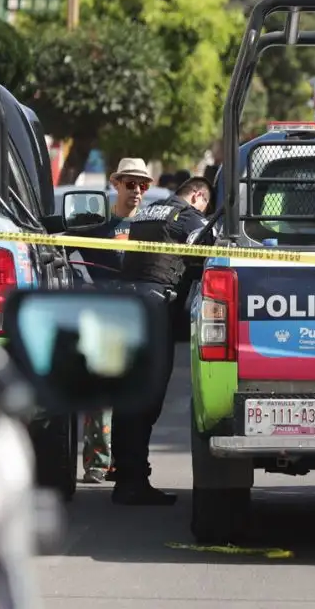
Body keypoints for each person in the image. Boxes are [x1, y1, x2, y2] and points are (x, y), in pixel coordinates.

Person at [109, 177, 214, 506]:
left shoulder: (147, 211)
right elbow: (210, 255)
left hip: (125, 307)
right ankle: (134, 482)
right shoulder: (191, 218)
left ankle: (126, 477)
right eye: (204, 204)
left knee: (126, 394)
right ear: (197, 195)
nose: (203, 210)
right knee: (148, 397)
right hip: (155, 308)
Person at [77, 158, 153, 484]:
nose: (137, 190)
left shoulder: (153, 227)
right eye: (130, 183)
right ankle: (97, 463)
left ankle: (127, 464)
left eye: (142, 185)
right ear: (115, 184)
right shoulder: (97, 225)